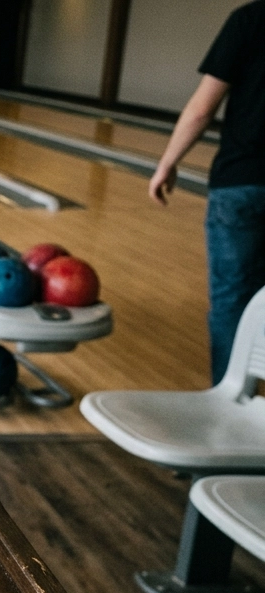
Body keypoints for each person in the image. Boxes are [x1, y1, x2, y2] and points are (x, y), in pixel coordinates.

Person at [150, 0, 265, 385]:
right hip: (242, 187)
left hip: (242, 182)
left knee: (233, 299)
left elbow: (202, 108)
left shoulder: (251, 18)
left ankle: (233, 396)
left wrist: (168, 162)